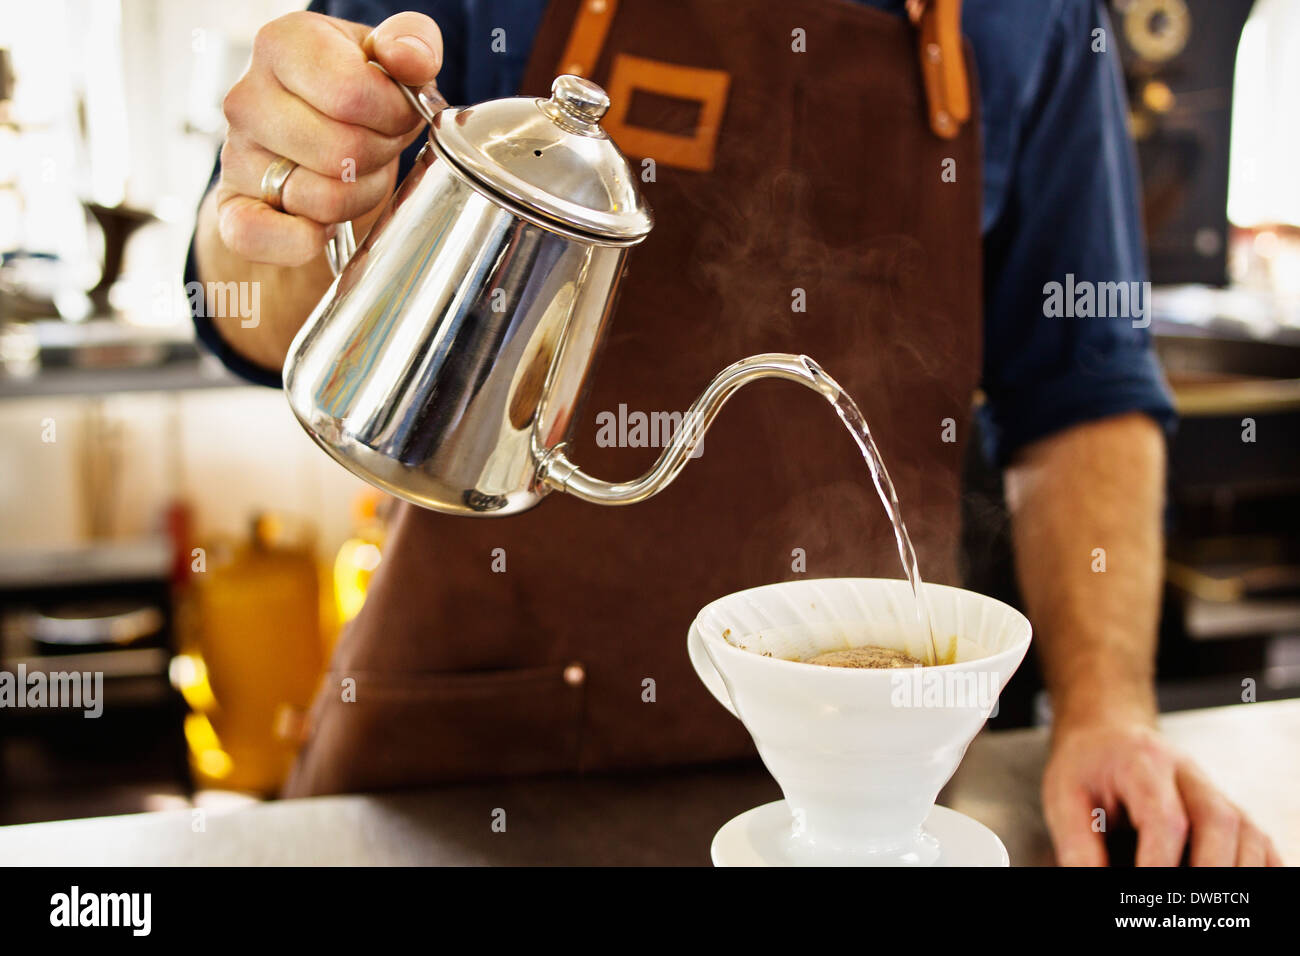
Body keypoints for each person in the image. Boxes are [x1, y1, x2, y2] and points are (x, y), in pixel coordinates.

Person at [188, 0, 1281, 866]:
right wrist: (289, 182)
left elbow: (1080, 392)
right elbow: (257, 312)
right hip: (469, 778)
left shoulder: (1036, 18)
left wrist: (1104, 712)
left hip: (875, 796)